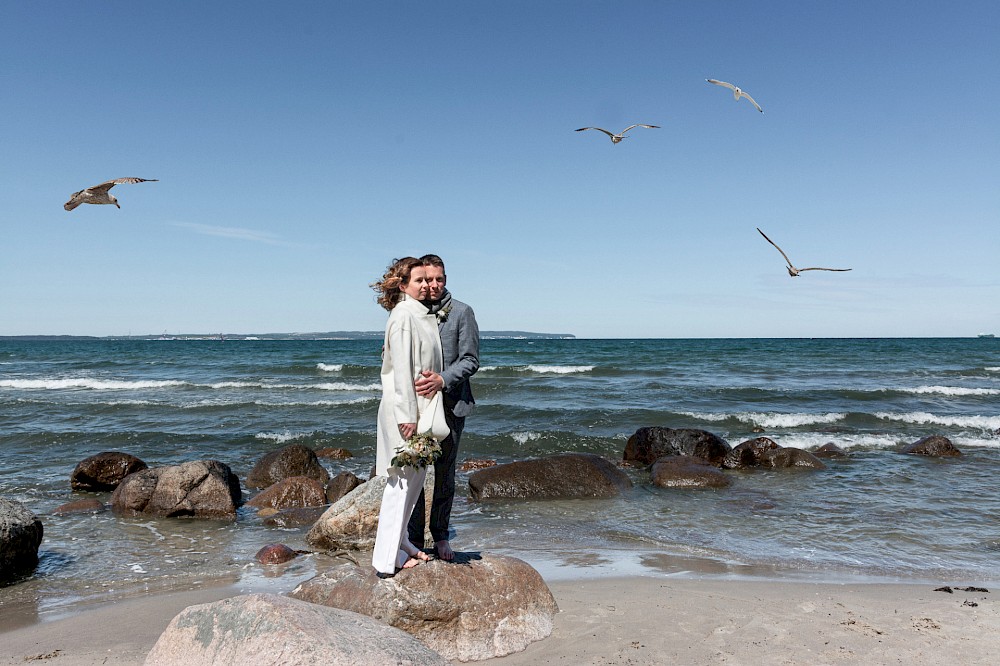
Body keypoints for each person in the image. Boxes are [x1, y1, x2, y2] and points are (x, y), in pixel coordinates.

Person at [370, 257, 443, 576]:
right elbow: (400, 369)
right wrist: (406, 415)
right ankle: (386, 559)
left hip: (421, 407)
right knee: (399, 484)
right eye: (420, 280)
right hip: (406, 410)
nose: (427, 285)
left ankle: (403, 543)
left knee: (414, 482)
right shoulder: (403, 316)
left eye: (430, 280)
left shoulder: (420, 314)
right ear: (403, 286)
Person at [407, 254, 480, 561]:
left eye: (439, 279)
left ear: (446, 280)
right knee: (414, 472)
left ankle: (440, 536)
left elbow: (470, 360)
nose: (433, 285)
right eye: (427, 279)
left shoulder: (462, 312)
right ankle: (412, 539)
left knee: (445, 473)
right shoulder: (410, 311)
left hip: (452, 404)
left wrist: (442, 379)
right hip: (417, 406)